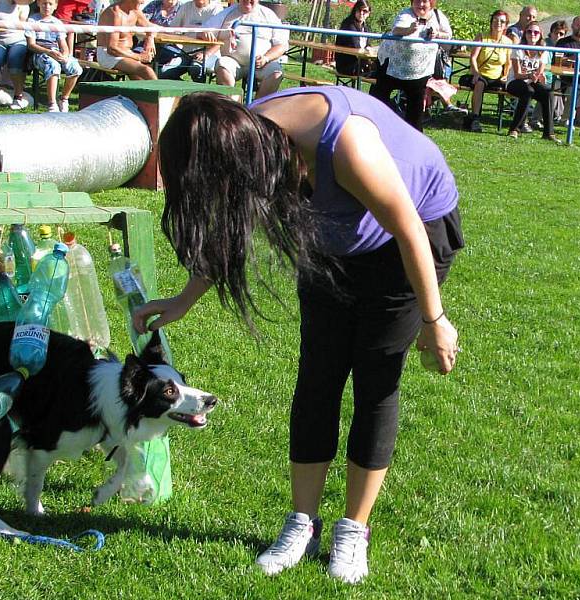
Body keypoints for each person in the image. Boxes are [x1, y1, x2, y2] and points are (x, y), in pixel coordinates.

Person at [131, 86, 463, 585]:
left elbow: (408, 228)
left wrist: (435, 321)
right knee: (317, 382)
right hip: (335, 244)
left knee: (375, 384)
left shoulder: (344, 143)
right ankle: (302, 524)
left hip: (409, 240)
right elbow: (230, 225)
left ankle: (354, 529)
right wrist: (184, 300)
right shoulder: (249, 140)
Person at [368, 0, 452, 131]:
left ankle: (413, 140)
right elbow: (396, 30)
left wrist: (437, 34)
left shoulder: (438, 16)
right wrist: (409, 30)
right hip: (393, 67)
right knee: (378, 98)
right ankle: (373, 126)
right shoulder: (406, 14)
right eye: (417, 1)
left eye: (424, 1)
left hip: (420, 71)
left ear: (431, 3)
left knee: (415, 114)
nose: (421, 5)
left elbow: (448, 35)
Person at [201, 0, 289, 98]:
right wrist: (205, 33)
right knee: (222, 65)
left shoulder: (269, 15)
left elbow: (281, 45)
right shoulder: (226, 14)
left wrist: (266, 58)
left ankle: (256, 108)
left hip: (262, 63)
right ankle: (235, 107)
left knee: (276, 73)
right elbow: (204, 30)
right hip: (233, 61)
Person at [25, 0, 83, 112]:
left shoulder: (57, 23)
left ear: (55, 6)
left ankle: (64, 98)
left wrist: (65, 55)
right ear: (38, 3)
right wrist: (48, 52)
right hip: (40, 53)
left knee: (75, 67)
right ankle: (52, 103)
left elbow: (63, 44)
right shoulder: (32, 20)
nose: (47, 6)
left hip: (56, 52)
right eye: (44, 3)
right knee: (53, 66)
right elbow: (31, 45)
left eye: (50, 4)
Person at [505, 24, 559, 142]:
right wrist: (530, 75)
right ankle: (514, 129)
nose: (532, 35)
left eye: (536, 32)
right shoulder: (518, 49)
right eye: (529, 32)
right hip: (515, 82)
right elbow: (518, 74)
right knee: (528, 91)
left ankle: (549, 133)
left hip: (531, 81)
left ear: (540, 35)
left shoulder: (543, 51)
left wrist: (537, 76)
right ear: (525, 34)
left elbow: (539, 74)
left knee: (548, 92)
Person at [460, 10, 511, 133]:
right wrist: (476, 73)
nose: (498, 23)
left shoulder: (508, 42)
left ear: (505, 25)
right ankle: (475, 118)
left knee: (515, 87)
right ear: (491, 22)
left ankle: (518, 122)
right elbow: (473, 57)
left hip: (496, 77)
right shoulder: (482, 37)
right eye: (495, 20)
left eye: (502, 21)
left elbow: (508, 62)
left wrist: (506, 75)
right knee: (480, 83)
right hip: (480, 74)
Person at [96, 0, 157, 80]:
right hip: (109, 55)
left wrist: (150, 39)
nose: (143, 2)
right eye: (140, 0)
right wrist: (138, 57)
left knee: (140, 80)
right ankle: (163, 92)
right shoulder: (114, 13)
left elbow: (151, 27)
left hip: (127, 53)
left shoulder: (135, 11)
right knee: (147, 70)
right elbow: (111, 49)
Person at [167, 0, 223, 82]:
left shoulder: (217, 10)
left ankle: (201, 93)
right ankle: (185, 90)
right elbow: (173, 30)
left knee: (195, 68)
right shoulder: (186, 7)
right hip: (186, 53)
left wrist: (206, 54)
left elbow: (221, 39)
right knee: (163, 72)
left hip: (209, 54)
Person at [335, 0, 374, 77]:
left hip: (360, 63)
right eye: (359, 10)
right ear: (355, 11)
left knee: (380, 70)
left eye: (365, 11)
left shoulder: (364, 27)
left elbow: (367, 45)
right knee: (377, 73)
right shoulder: (349, 25)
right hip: (347, 66)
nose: (362, 13)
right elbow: (356, 46)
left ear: (369, 13)